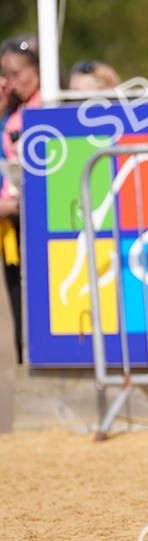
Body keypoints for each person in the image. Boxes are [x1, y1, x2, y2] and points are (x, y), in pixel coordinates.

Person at [0, 35, 41, 362]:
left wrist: (17, 205)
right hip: (10, 223)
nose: (10, 83)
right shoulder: (10, 113)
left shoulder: (48, 107)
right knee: (18, 302)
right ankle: (24, 360)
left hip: (39, 217)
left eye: (17, 74)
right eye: (5, 75)